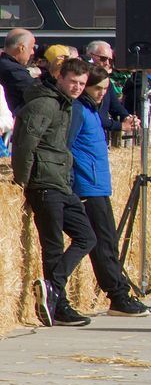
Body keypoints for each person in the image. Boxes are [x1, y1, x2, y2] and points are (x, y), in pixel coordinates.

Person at [11, 56, 95, 327]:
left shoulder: (65, 105)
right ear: (60, 78)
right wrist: (21, 181)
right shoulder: (45, 104)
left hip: (61, 182)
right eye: (73, 82)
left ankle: (52, 290)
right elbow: (24, 144)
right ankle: (58, 304)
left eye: (82, 83)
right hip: (44, 183)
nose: (77, 87)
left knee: (86, 237)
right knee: (54, 246)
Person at [73, 69, 151, 315]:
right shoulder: (79, 110)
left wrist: (121, 124)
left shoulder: (93, 110)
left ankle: (119, 293)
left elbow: (105, 126)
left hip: (98, 184)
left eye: (106, 89)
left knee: (107, 241)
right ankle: (118, 296)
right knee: (103, 243)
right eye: (98, 89)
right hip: (87, 185)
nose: (102, 94)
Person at [1, 27, 38, 112]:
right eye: (31, 47)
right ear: (22, 48)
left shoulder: (6, 65)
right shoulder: (13, 71)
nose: (33, 52)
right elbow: (36, 92)